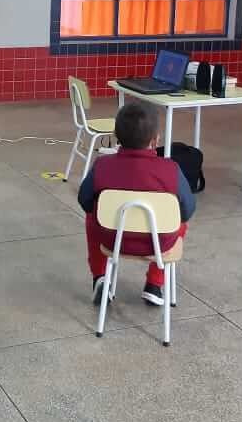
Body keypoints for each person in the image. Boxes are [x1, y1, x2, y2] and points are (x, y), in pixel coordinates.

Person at [78, 103, 196, 307]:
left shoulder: (102, 165)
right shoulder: (171, 170)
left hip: (112, 240)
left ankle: (100, 277)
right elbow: (188, 210)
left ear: (116, 135)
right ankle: (155, 284)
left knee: (93, 216)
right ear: (155, 139)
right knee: (179, 221)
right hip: (158, 244)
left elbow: (84, 200)